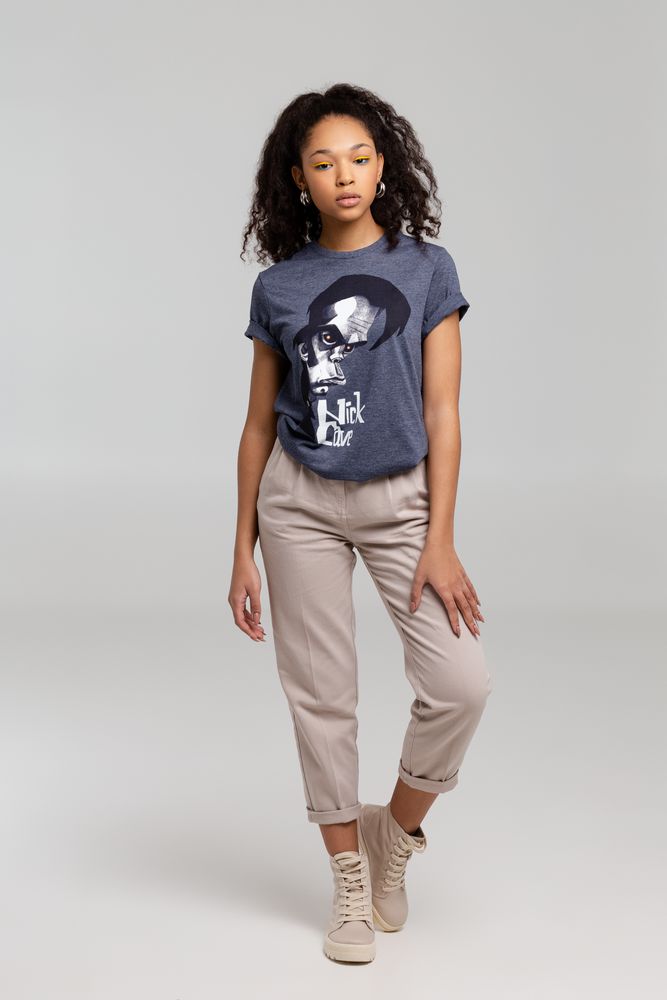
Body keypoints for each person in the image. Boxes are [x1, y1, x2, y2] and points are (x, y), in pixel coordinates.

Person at [229, 82, 492, 964]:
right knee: (321, 697)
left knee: (461, 685)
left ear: (384, 166)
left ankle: (394, 832)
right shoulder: (279, 286)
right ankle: (347, 875)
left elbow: (443, 413)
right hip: (298, 502)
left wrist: (440, 538)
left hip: (400, 501)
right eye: (322, 162)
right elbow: (257, 425)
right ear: (297, 179)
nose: (343, 175)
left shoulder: (426, 269)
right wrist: (241, 549)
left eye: (358, 157)